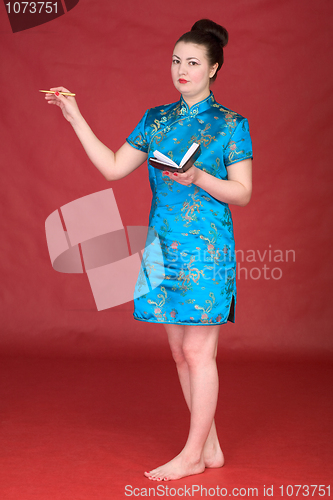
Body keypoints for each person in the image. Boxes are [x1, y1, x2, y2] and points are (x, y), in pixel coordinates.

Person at [45, 19, 253, 482]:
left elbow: (243, 193)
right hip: (162, 244)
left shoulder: (231, 125)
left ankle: (193, 454)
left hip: (206, 247)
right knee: (180, 353)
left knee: (201, 353)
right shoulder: (156, 119)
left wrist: (199, 177)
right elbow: (115, 168)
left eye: (193, 62)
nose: (182, 69)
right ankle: (211, 447)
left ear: (214, 68)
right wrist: (75, 116)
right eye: (177, 61)